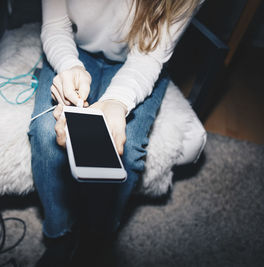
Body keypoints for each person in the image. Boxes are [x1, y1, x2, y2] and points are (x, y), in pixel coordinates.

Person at [28, 0, 203, 266]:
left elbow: (150, 58)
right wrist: (68, 66)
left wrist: (117, 101)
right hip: (72, 47)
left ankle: (96, 237)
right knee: (46, 134)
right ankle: (60, 236)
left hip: (140, 60)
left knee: (127, 150)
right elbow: (55, 26)